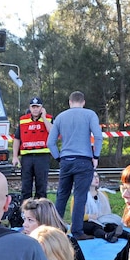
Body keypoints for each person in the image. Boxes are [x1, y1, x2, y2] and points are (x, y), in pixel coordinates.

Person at [47, 91, 104, 240]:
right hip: (84, 160)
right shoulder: (90, 115)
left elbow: (50, 142)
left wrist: (59, 157)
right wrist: (95, 155)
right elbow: (98, 136)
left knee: (62, 195)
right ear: (83, 102)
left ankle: (56, 229)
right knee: (80, 196)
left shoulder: (60, 117)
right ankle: (77, 231)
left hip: (66, 160)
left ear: (69, 102)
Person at [20, 197, 87, 260]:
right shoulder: (24, 242)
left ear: (44, 222)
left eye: (30, 220)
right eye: (24, 219)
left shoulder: (67, 244)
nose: (24, 224)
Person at [12, 97, 54, 200]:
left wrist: (43, 117)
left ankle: (40, 212)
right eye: (33, 107)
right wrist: (15, 156)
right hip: (27, 157)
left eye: (37, 107)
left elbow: (53, 132)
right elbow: (17, 139)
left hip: (42, 157)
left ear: (42, 108)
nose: (35, 109)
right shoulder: (23, 120)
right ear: (30, 108)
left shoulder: (48, 118)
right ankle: (25, 212)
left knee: (41, 187)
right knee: (26, 187)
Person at [83, 171, 124, 243]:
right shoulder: (80, 196)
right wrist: (89, 216)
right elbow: (75, 216)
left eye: (97, 176)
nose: (96, 179)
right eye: (93, 177)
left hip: (102, 219)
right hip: (87, 222)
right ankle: (106, 236)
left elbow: (106, 211)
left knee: (110, 225)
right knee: (95, 226)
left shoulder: (103, 194)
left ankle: (127, 235)